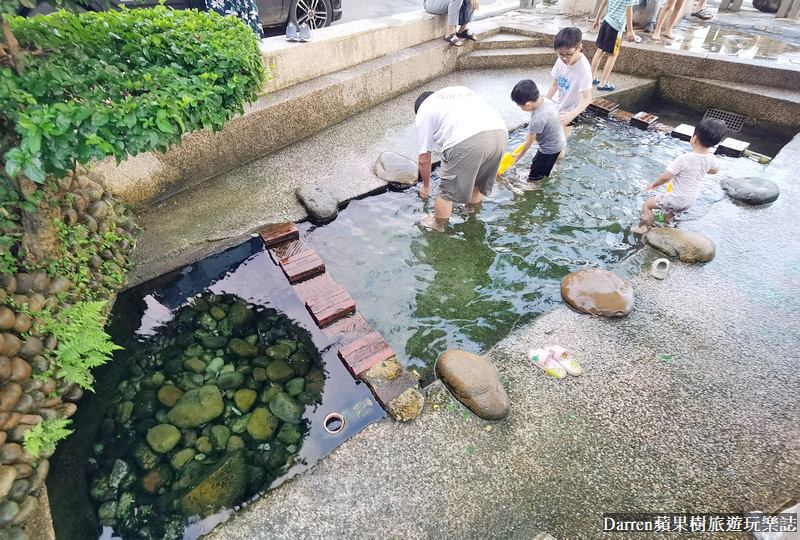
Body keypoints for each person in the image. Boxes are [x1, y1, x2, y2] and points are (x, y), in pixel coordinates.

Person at [414, 86, 507, 232]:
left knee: (446, 193)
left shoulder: (424, 110)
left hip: (468, 140)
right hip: (501, 133)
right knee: (478, 183)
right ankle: (470, 214)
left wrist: (426, 185)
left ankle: (438, 226)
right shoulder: (457, 91)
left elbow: (424, 158)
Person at [633, 118, 726, 234]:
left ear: (695, 138)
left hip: (676, 199)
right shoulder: (711, 158)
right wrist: (699, 169)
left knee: (647, 205)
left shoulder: (684, 158)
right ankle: (667, 227)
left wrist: (654, 184)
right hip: (690, 200)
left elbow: (666, 177)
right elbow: (715, 171)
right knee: (667, 211)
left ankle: (646, 228)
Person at [545, 27, 593, 156]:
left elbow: (587, 99)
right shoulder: (561, 60)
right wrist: (544, 104)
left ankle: (557, 168)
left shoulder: (583, 69)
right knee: (550, 138)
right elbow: (554, 84)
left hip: (571, 111)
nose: (564, 58)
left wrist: (573, 114)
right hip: (560, 105)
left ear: (579, 48)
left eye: (568, 54)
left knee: (558, 144)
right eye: (560, 54)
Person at [509, 79, 566, 184]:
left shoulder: (538, 118)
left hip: (549, 150)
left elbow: (529, 141)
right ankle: (554, 167)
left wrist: (519, 155)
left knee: (533, 178)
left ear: (528, 105)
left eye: (520, 106)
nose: (520, 107)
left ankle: (533, 184)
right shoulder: (547, 101)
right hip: (560, 142)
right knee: (550, 163)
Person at [591, 0, 638, 91]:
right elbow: (629, 9)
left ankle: (591, 78)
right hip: (616, 26)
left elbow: (604, 2)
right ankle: (603, 83)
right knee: (613, 54)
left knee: (600, 50)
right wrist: (630, 30)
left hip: (606, 21)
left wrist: (597, 19)